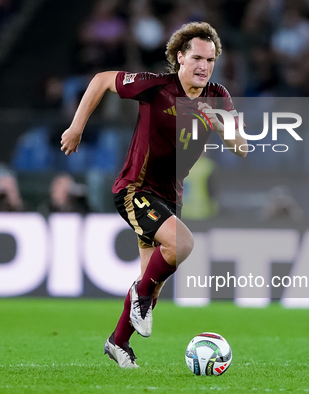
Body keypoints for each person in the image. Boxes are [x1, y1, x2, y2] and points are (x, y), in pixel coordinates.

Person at [60, 22, 246, 369]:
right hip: (136, 188)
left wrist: (221, 127)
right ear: (180, 58)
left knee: (153, 285)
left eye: (211, 59)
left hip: (170, 197)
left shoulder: (218, 96)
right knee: (182, 245)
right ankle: (139, 299)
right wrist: (76, 127)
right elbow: (101, 79)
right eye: (197, 58)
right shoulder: (156, 87)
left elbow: (243, 147)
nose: (204, 66)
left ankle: (118, 342)